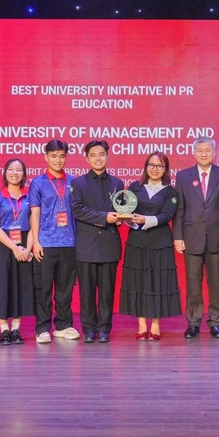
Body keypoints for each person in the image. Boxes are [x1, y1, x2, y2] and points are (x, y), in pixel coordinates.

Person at [119, 152, 182, 341]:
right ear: (146, 167)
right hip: (137, 242)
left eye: (160, 166)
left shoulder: (170, 192)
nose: (155, 169)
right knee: (138, 281)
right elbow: (125, 211)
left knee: (158, 282)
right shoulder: (134, 187)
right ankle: (141, 325)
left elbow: (167, 215)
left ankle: (155, 324)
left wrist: (146, 219)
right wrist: (128, 219)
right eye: (151, 165)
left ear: (166, 169)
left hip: (160, 242)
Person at [173, 137, 219, 339]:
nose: (204, 154)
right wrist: (178, 236)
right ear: (194, 153)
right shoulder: (183, 176)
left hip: (217, 236)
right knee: (193, 283)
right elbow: (179, 209)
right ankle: (193, 322)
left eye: (208, 150)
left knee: (216, 283)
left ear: (214, 153)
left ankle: (215, 322)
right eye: (200, 150)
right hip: (191, 237)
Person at [70, 140, 124, 343]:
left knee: (107, 292)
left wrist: (121, 218)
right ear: (87, 159)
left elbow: (121, 209)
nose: (98, 158)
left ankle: (104, 329)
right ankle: (88, 329)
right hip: (87, 245)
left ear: (107, 156)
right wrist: (105, 218)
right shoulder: (78, 183)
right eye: (93, 155)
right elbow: (78, 210)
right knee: (87, 291)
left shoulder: (117, 183)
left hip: (109, 244)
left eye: (101, 154)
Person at [29, 139, 80, 344]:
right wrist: (36, 241)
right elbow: (34, 214)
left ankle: (63, 325)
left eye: (61, 156)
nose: (58, 160)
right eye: (53, 156)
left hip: (69, 242)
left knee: (65, 289)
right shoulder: (38, 183)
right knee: (43, 288)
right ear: (46, 157)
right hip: (45, 243)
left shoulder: (74, 182)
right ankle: (42, 328)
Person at [0, 158, 34, 346]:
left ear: (24, 174)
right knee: (3, 286)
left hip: (24, 243)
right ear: (5, 172)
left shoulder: (30, 197)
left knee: (20, 286)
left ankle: (16, 329)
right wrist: (14, 248)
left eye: (19, 170)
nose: (15, 173)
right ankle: (4, 330)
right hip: (3, 245)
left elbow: (34, 225)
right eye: (11, 169)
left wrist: (27, 249)